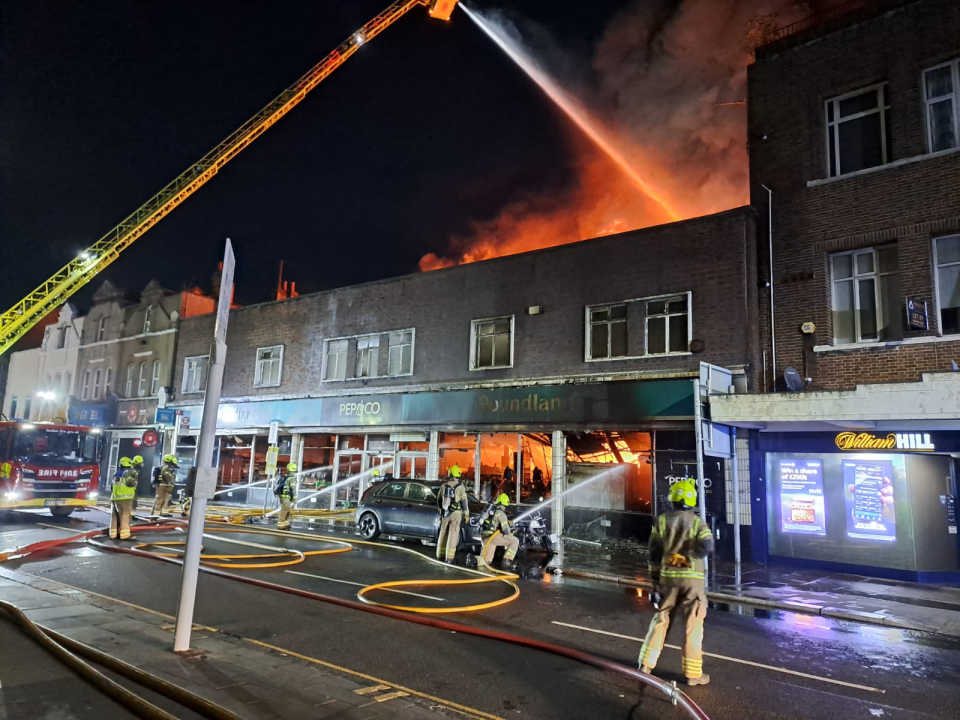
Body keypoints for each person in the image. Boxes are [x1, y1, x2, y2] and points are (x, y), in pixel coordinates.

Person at [638, 479, 715, 687]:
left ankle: (645, 667)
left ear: (673, 500)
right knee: (693, 626)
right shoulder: (698, 523)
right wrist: (688, 556)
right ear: (692, 500)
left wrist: (654, 583)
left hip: (667, 579)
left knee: (661, 620)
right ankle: (693, 675)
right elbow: (708, 545)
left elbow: (653, 554)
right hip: (693, 583)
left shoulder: (662, 522)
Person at [436, 465, 469, 563]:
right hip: (456, 515)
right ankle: (449, 558)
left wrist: (441, 511)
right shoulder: (461, 488)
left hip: (445, 514)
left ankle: (440, 555)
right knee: (453, 535)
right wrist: (466, 515)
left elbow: (438, 500)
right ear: (458, 474)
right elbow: (464, 502)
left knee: (443, 534)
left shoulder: (444, 486)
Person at [480, 493, 519, 570]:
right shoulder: (501, 513)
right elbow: (506, 531)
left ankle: (474, 560)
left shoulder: (492, 511)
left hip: (485, 537)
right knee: (515, 540)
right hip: (493, 537)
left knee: (486, 561)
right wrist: (512, 532)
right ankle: (507, 561)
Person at [110, 457, 138, 541]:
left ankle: (113, 534)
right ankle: (125, 535)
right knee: (125, 515)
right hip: (126, 497)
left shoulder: (116, 473)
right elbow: (130, 483)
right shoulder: (128, 473)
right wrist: (135, 481)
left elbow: (112, 487)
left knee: (114, 516)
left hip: (115, 498)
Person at [275, 462, 297, 531]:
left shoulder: (286, 478)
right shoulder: (292, 479)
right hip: (286, 498)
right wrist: (295, 498)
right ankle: (281, 525)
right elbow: (293, 489)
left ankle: (285, 524)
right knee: (284, 511)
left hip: (284, 497)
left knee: (287, 511)